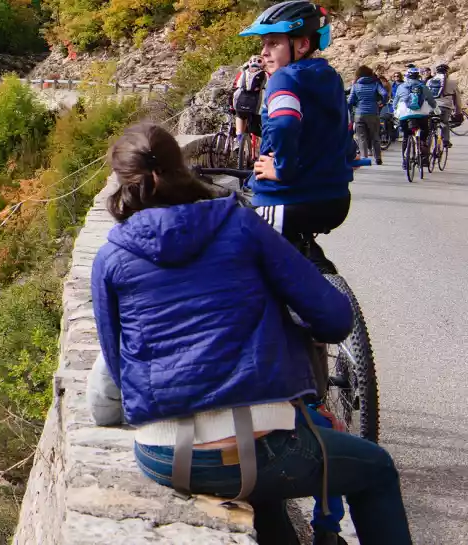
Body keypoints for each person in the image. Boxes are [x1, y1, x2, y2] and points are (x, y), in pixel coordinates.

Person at [93, 122, 413, 544]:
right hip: (263, 448)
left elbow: (117, 364)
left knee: (263, 497)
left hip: (163, 455)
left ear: (122, 182)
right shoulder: (241, 226)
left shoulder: (111, 256)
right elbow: (335, 319)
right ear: (184, 168)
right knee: (376, 471)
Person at [239, 0, 354, 274]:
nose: (264, 53)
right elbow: (344, 126)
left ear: (301, 45)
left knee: (232, 251)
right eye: (263, 44)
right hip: (335, 200)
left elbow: (283, 124)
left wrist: (282, 169)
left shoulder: (284, 79)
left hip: (286, 200)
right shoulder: (330, 77)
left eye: (273, 44)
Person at [394, 66, 438, 160]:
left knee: (406, 136)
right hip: (421, 114)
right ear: (418, 76)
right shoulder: (423, 87)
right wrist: (437, 110)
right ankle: (422, 147)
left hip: (404, 115)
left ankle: (405, 162)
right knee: (424, 130)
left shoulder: (401, 87)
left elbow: (395, 102)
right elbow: (431, 101)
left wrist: (394, 111)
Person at [348, 65, 387, 164]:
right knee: (375, 136)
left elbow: (350, 101)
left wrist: (349, 111)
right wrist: (383, 102)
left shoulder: (356, 85)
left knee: (361, 137)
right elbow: (385, 94)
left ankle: (364, 158)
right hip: (373, 113)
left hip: (359, 113)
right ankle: (378, 158)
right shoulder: (375, 84)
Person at [233, 56, 269, 137]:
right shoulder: (265, 74)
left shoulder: (243, 73)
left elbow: (236, 89)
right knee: (261, 130)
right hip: (257, 108)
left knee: (240, 116)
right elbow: (269, 89)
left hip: (241, 103)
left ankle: (239, 141)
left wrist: (233, 105)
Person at [428, 63, 462, 147]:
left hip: (431, 107)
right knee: (444, 123)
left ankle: (426, 141)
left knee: (429, 126)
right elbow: (457, 100)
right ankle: (446, 141)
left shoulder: (429, 81)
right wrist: (458, 113)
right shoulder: (452, 83)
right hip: (444, 107)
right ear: (447, 73)